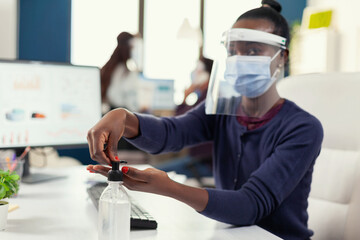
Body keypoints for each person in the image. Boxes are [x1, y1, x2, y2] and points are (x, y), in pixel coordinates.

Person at [87, 2, 323, 240]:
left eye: (253, 51)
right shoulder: (222, 111)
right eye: (233, 51)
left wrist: (170, 188)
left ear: (282, 56)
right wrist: (123, 118)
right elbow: (171, 133)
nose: (239, 60)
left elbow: (251, 205)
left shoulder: (303, 129)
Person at [155, 56, 214, 181]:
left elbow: (179, 120)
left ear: (207, 74)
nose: (194, 74)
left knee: (155, 173)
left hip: (203, 164)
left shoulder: (209, 97)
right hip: (197, 160)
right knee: (154, 170)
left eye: (198, 71)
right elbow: (180, 119)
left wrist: (187, 95)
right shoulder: (203, 95)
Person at [100, 31, 145, 114]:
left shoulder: (110, 68)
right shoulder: (124, 72)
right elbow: (118, 98)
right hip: (120, 114)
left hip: (108, 114)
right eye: (133, 47)